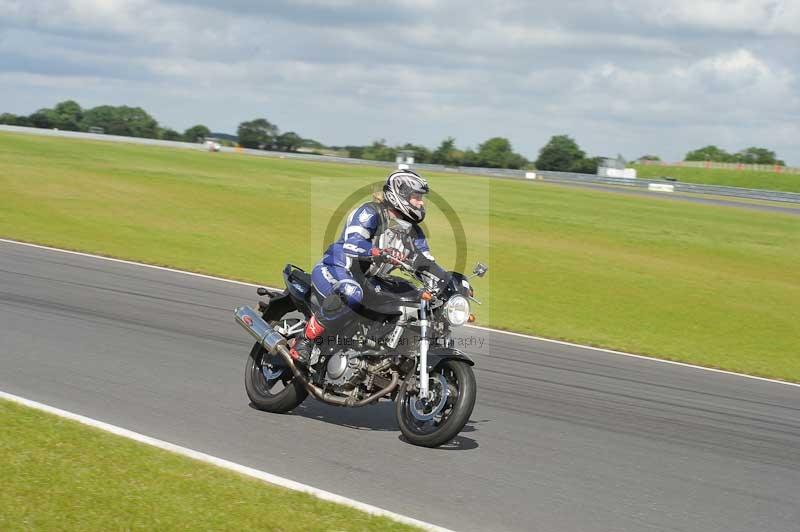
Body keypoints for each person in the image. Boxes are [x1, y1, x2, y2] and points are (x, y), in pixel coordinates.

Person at [290, 169, 449, 364]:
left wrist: (451, 283)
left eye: (421, 198)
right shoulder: (370, 212)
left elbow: (425, 262)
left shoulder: (414, 232)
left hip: (370, 281)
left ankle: (381, 350)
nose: (421, 202)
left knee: (415, 296)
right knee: (351, 292)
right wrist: (378, 252)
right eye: (417, 197)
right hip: (337, 269)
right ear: (401, 195)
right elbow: (352, 242)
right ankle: (305, 340)